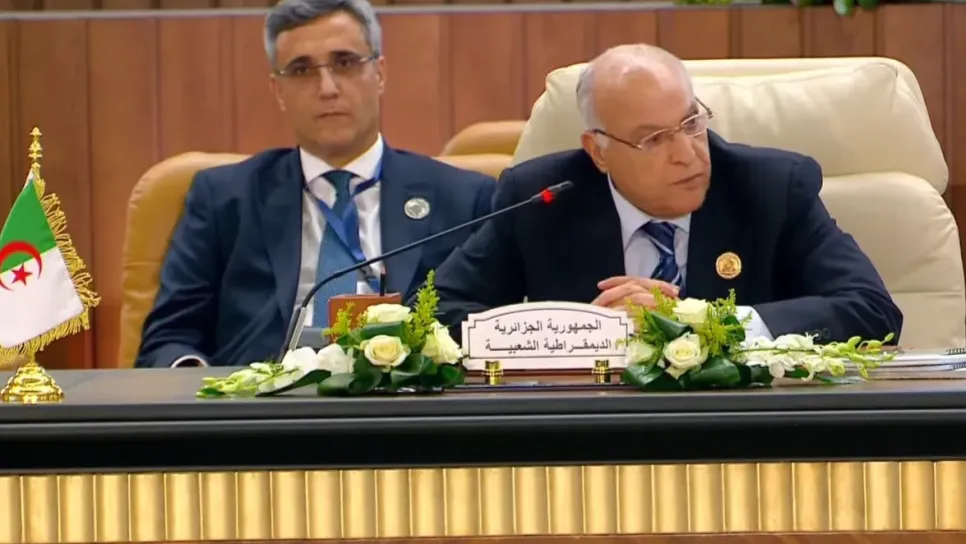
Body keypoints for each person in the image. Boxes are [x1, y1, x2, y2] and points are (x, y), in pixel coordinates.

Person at [433, 44, 902, 344]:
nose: (688, 154)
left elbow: (871, 310)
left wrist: (701, 323)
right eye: (654, 139)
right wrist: (580, 333)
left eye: (691, 123)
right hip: (588, 437)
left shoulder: (771, 188)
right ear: (598, 152)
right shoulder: (541, 199)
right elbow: (438, 315)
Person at [135, 0, 495, 368]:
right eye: (302, 70)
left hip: (410, 396)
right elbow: (169, 338)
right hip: (259, 396)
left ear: (380, 73)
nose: (327, 88)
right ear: (278, 91)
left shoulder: (464, 199)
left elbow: (494, 332)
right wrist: (197, 386)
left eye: (345, 62)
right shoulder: (223, 199)